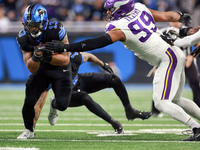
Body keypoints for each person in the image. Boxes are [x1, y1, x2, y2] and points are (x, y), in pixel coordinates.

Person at [45, 0, 200, 141]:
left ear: (120, 10)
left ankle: (196, 128)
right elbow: (168, 16)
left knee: (161, 103)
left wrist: (66, 47)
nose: (109, 13)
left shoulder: (120, 27)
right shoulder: (139, 8)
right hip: (173, 54)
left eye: (111, 10)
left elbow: (96, 43)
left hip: (167, 58)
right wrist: (179, 15)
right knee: (176, 99)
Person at [34, 52, 152, 134]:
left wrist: (102, 64)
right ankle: (55, 103)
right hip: (64, 93)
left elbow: (89, 56)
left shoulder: (73, 57)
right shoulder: (48, 69)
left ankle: (129, 111)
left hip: (78, 81)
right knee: (85, 97)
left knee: (114, 79)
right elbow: (40, 99)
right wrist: (31, 127)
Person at [16, 4, 72, 139]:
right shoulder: (23, 37)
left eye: (36, 24)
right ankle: (29, 130)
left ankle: (54, 104)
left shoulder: (56, 29)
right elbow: (31, 67)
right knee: (29, 100)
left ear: (44, 22)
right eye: (30, 25)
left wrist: (47, 55)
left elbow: (65, 59)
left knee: (63, 104)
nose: (33, 28)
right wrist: (37, 55)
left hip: (60, 69)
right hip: (41, 68)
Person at [151, 22, 200, 117]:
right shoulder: (163, 32)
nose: (175, 23)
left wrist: (191, 56)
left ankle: (198, 108)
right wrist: (156, 66)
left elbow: (194, 38)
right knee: (161, 84)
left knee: (194, 82)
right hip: (171, 61)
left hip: (186, 60)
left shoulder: (188, 30)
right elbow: (157, 50)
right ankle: (155, 110)